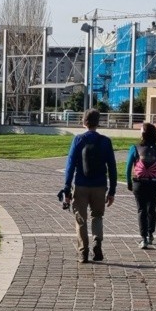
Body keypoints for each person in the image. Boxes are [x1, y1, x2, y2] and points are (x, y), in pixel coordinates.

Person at [63, 109, 117, 264]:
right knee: (97, 216)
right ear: (98, 123)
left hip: (81, 185)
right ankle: (97, 241)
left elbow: (70, 166)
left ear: (83, 122)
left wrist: (67, 187)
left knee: (80, 219)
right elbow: (112, 167)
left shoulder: (78, 140)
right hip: (100, 186)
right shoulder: (105, 141)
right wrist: (112, 190)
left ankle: (83, 252)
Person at [124, 122, 156, 249]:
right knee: (151, 209)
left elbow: (128, 167)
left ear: (143, 134)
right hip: (154, 183)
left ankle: (143, 238)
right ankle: (150, 233)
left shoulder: (134, 148)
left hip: (139, 183)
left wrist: (129, 182)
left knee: (141, 210)